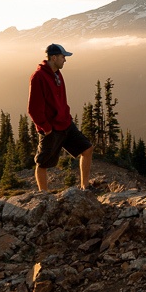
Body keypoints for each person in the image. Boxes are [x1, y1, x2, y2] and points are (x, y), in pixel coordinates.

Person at [27, 43, 93, 192]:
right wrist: (46, 128)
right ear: (54, 57)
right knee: (42, 163)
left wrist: (67, 116)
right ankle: (44, 196)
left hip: (65, 123)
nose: (65, 60)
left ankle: (85, 188)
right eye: (63, 57)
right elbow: (33, 108)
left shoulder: (57, 73)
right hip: (51, 128)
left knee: (87, 149)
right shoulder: (38, 77)